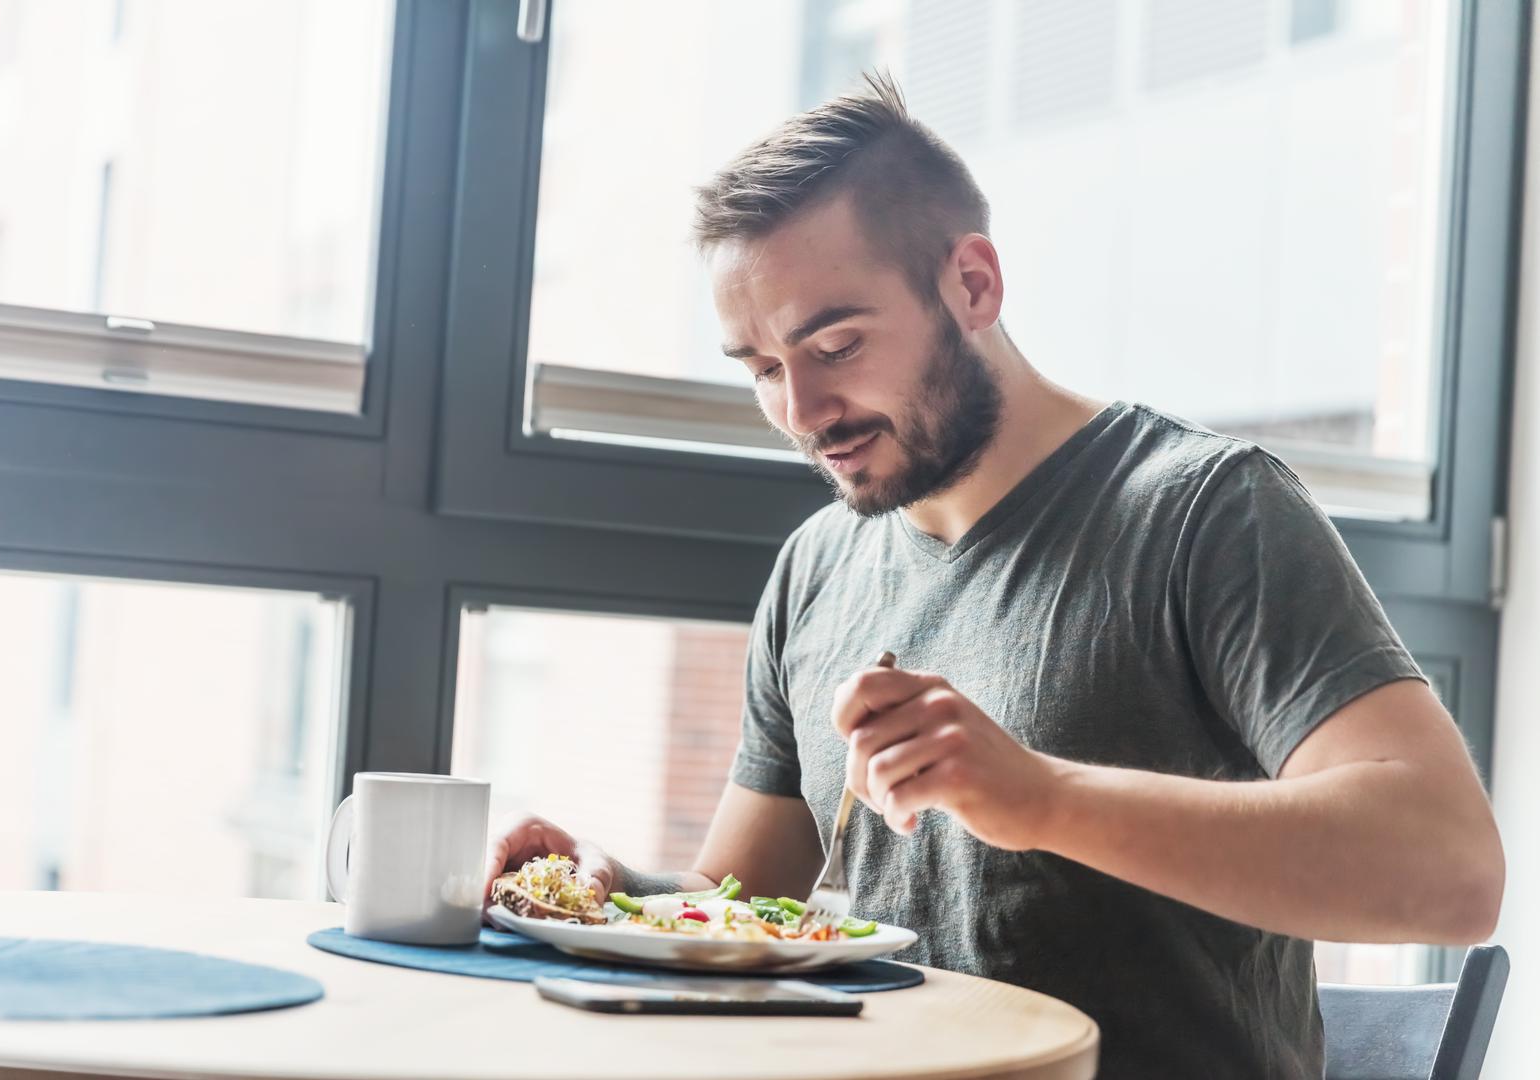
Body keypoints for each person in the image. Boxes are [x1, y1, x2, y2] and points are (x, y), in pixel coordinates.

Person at [484, 74, 1504, 1077]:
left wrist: (1044, 798)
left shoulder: (1208, 510)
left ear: (972, 284)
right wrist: (614, 895)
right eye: (759, 368)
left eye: (835, 344)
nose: (801, 410)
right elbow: (739, 902)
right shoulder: (817, 567)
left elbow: (1449, 872)